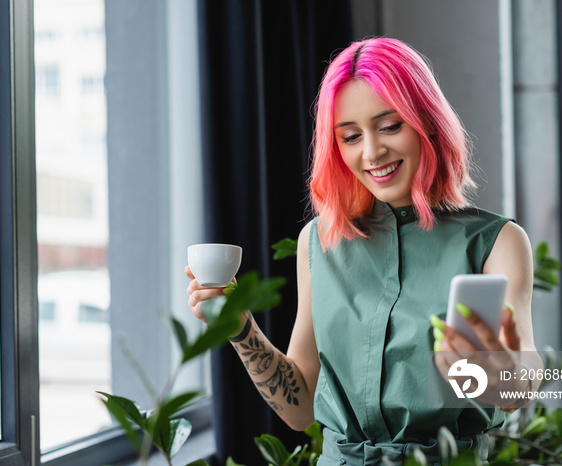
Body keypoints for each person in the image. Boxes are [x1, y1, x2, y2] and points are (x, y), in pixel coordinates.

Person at [186, 37, 539, 465]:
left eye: (390, 126)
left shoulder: (495, 242)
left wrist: (504, 377)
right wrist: (240, 328)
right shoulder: (319, 241)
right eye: (351, 136)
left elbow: (520, 381)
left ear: (426, 122)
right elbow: (299, 410)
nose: (372, 152)